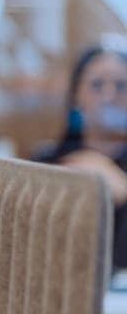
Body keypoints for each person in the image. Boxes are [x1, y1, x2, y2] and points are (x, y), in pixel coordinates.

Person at [35, 42, 127, 269]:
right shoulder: (47, 162)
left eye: (121, 85)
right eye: (97, 85)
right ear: (76, 95)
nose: (109, 95)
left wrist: (123, 193)